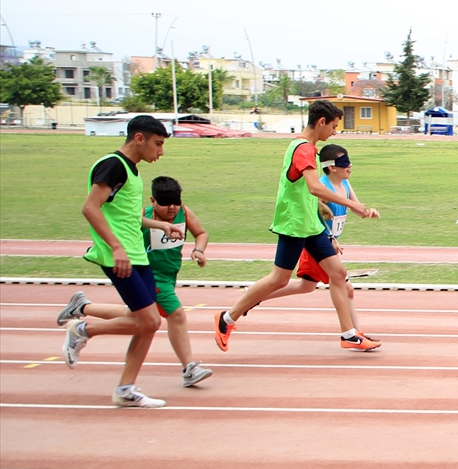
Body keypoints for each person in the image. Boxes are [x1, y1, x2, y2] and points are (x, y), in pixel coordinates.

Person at [213, 100, 380, 352]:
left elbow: (310, 192)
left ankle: (348, 335)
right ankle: (227, 318)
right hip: (293, 224)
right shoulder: (302, 149)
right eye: (333, 126)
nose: (334, 132)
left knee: (338, 274)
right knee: (279, 280)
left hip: (310, 225)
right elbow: (314, 187)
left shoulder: (309, 149)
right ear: (321, 122)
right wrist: (352, 205)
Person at [60, 115, 174, 407]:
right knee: (150, 320)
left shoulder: (132, 172)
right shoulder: (113, 165)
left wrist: (161, 226)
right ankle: (83, 329)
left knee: (148, 323)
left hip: (136, 254)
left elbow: (126, 215)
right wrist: (116, 248)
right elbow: (90, 208)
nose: (160, 152)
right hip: (118, 256)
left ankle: (125, 389)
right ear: (139, 138)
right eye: (158, 144)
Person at [58, 176, 215, 388]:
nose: (171, 208)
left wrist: (198, 250)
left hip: (169, 275)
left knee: (134, 316)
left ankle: (83, 307)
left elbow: (201, 232)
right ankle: (189, 368)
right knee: (176, 315)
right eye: (165, 203)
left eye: (176, 202)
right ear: (152, 200)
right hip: (151, 276)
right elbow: (126, 225)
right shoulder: (143, 216)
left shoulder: (184, 213)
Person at [246, 143, 377, 341]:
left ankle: (254, 296)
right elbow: (314, 217)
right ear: (332, 166)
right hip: (319, 245)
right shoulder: (322, 187)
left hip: (324, 246)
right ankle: (355, 334)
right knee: (345, 287)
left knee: (306, 286)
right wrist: (330, 238)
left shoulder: (346, 185)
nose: (350, 166)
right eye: (345, 162)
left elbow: (357, 207)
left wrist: (368, 212)